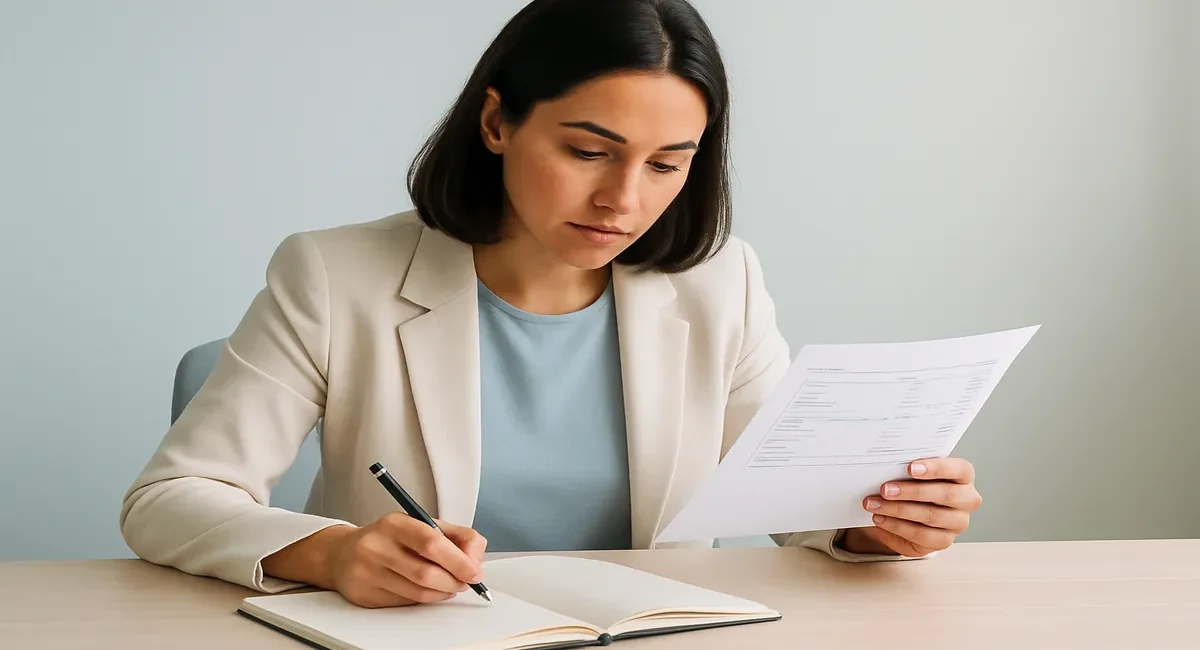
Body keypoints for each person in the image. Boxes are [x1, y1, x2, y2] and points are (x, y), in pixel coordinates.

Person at [120, 0, 983, 609]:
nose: (623, 198)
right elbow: (169, 499)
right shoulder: (333, 274)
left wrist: (878, 527)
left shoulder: (722, 280)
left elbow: (788, 506)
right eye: (587, 150)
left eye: (666, 163)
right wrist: (337, 551)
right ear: (497, 123)